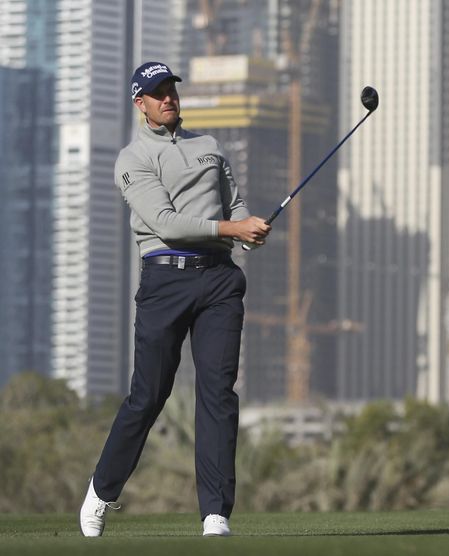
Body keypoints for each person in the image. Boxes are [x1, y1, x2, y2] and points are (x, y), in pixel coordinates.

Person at [79, 61, 271, 537]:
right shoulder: (131, 159)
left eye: (171, 89)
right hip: (166, 281)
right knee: (148, 396)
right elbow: (165, 222)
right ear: (139, 103)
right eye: (157, 92)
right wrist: (232, 228)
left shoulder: (210, 148)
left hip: (219, 281)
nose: (168, 97)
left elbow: (235, 204)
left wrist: (250, 230)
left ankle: (215, 514)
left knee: (218, 394)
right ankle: (102, 492)